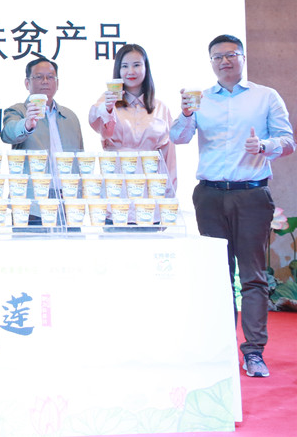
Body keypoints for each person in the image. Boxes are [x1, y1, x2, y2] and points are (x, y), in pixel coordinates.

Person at [170, 34, 295, 378]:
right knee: (217, 275)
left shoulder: (265, 96)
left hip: (251, 195)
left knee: (253, 277)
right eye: (218, 57)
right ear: (211, 62)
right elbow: (178, 137)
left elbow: (288, 142)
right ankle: (221, 347)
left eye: (231, 55)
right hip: (209, 195)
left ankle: (253, 352)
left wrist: (264, 146)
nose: (224, 61)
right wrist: (186, 113)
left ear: (242, 57)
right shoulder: (201, 99)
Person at [89, 44, 177, 190]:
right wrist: (108, 108)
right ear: (118, 70)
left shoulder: (161, 108)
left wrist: (169, 192)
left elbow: (169, 156)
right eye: (124, 66)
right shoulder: (107, 102)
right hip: (116, 182)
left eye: (136, 65)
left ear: (146, 67)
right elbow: (99, 127)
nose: (131, 71)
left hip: (151, 184)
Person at [1, 57, 84, 154]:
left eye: (50, 77)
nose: (45, 81)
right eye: (39, 77)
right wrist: (27, 125)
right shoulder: (17, 111)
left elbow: (80, 155)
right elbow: (8, 134)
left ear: (57, 83)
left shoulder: (70, 116)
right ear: (27, 83)